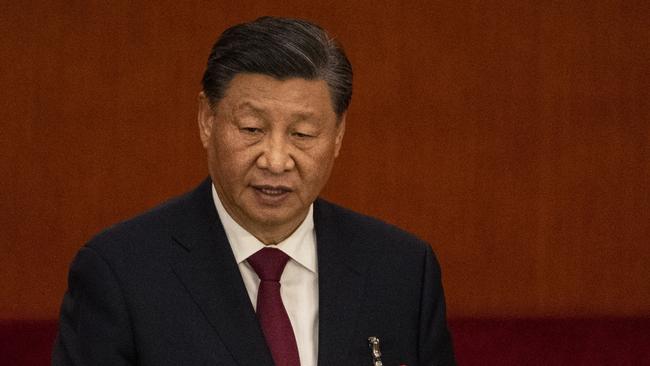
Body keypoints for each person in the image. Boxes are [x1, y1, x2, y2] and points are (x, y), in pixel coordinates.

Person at [52, 16, 456, 366]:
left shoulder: (401, 270)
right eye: (251, 129)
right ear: (207, 120)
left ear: (337, 135)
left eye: (302, 134)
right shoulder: (120, 273)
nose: (276, 160)